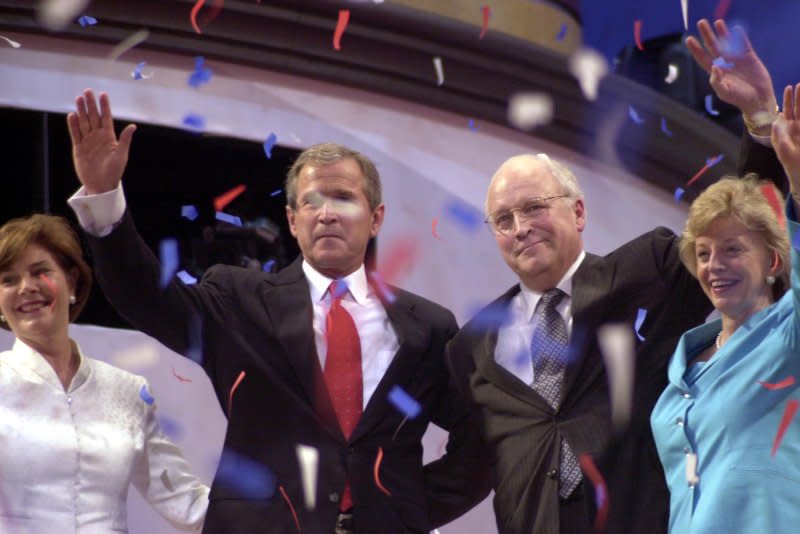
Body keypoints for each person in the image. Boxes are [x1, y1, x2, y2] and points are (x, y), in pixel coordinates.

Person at [64, 90, 482, 534]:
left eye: (343, 198)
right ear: (291, 219)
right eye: (311, 201)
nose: (326, 215)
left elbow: (480, 439)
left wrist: (410, 509)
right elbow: (145, 296)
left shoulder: (428, 327)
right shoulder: (237, 299)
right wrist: (104, 198)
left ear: (376, 218)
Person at [434, 19, 787, 534]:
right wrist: (351, 514)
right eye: (504, 220)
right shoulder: (472, 347)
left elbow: (743, 223)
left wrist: (758, 120)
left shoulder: (650, 269)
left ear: (578, 212)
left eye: (534, 207)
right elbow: (465, 473)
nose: (521, 228)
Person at [651, 82, 800, 533]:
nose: (714, 265)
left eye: (733, 249)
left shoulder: (787, 337)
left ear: (773, 260)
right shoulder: (682, 368)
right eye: (704, 253)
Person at [0, 213, 209, 533]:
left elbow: (187, 504)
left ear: (70, 281)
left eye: (40, 272)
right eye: (8, 280)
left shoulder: (127, 391)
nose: (26, 287)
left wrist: (284, 505)